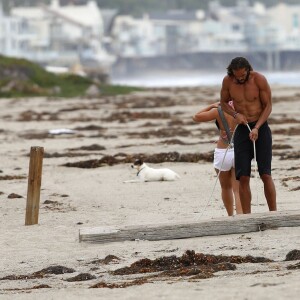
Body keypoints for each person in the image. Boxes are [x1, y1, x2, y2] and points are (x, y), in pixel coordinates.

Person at [220, 56, 276, 214]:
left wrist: (257, 127)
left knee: (265, 174)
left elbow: (268, 106)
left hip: (261, 127)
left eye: (242, 76)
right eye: (236, 76)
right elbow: (223, 103)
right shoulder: (228, 81)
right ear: (232, 73)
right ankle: (247, 217)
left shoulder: (259, 79)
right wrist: (235, 114)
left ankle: (273, 213)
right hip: (242, 128)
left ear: (248, 71)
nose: (239, 79)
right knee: (243, 176)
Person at [193, 102, 243, 216]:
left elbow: (196, 117)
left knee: (225, 187)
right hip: (239, 151)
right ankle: (241, 215)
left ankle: (230, 215)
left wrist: (211, 105)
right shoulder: (244, 107)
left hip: (222, 151)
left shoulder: (218, 110)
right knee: (238, 188)